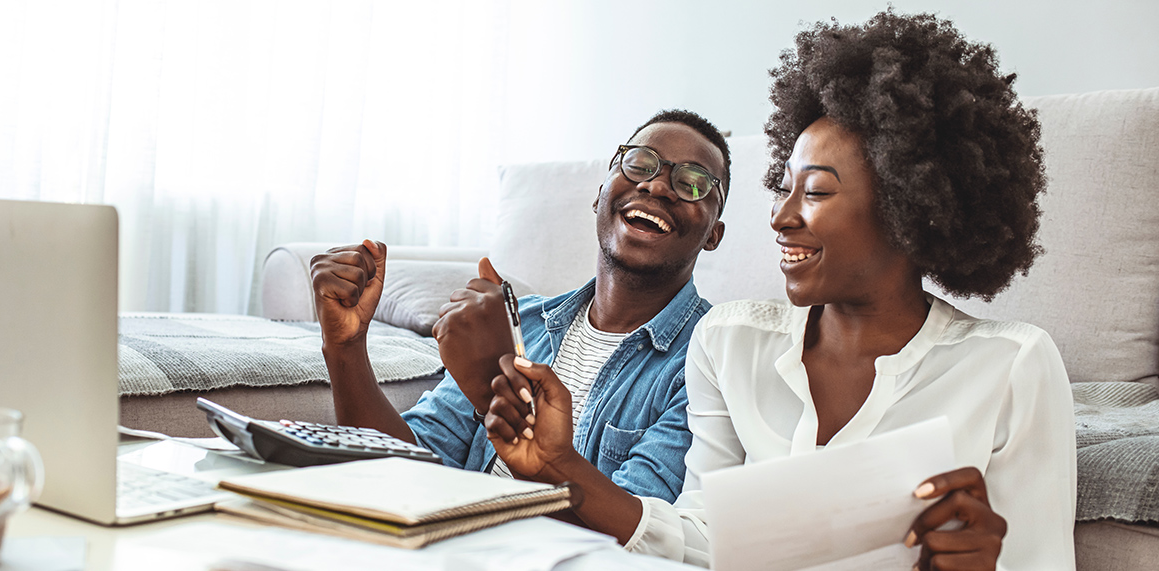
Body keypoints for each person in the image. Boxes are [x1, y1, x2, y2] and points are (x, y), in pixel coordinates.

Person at [484, 10, 1076, 569]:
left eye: (815, 192)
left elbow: (1037, 557)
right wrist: (560, 467)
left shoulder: (1012, 366)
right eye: (783, 188)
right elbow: (700, 539)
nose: (780, 217)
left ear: (908, 208)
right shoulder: (730, 342)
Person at [308, 109, 729, 509]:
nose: (656, 186)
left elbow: (638, 534)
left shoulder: (711, 359)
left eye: (693, 183)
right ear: (601, 192)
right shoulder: (521, 322)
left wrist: (491, 392)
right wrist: (345, 346)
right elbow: (401, 466)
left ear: (714, 234)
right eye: (639, 164)